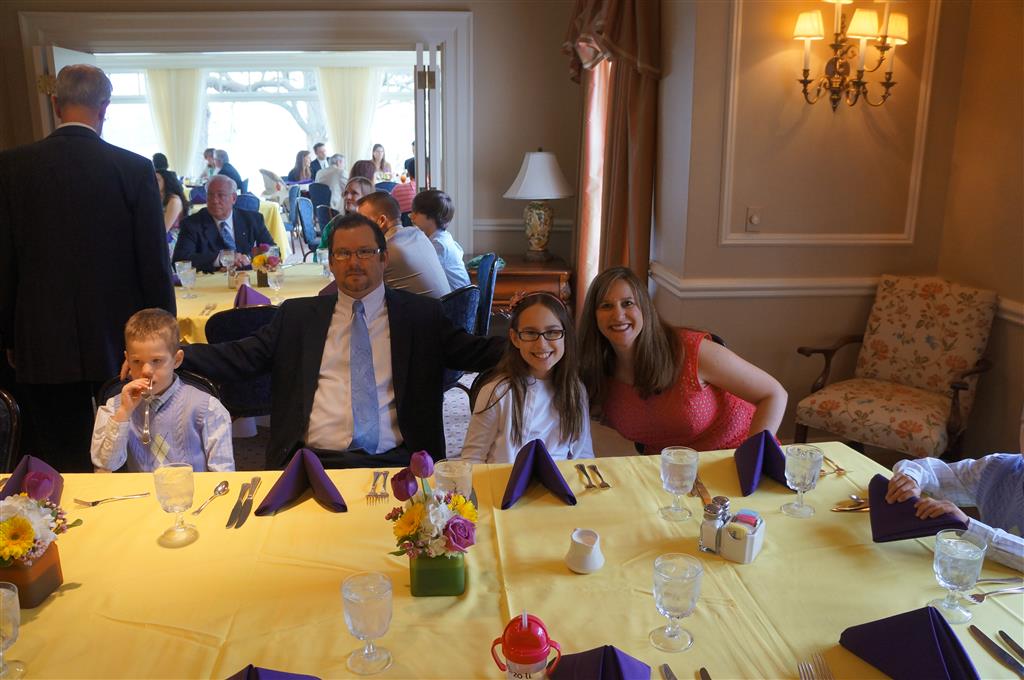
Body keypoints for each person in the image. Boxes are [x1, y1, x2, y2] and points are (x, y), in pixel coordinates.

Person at [180, 213, 505, 469]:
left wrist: (531, 341)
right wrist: (175, 355)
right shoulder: (298, 317)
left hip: (400, 461)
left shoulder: (421, 316)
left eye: (365, 252)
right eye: (343, 253)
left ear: (383, 258)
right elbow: (240, 356)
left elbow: (474, 352)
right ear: (331, 262)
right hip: (312, 461)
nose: (354, 262)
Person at [0, 64, 175, 472]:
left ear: (55, 104)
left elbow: (4, 261)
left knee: (56, 451)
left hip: (40, 336)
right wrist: (163, 334)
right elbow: (154, 261)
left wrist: (8, 335)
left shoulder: (10, 167)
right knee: (127, 439)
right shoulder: (133, 168)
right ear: (104, 107)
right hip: (120, 337)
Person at [578, 267, 787, 453]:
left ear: (645, 309)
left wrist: (753, 457)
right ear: (593, 316)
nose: (618, 315)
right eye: (606, 306)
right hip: (671, 472)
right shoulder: (595, 371)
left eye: (628, 303)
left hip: (734, 454)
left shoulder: (692, 351)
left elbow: (773, 394)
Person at [91, 309, 234, 473]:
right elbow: (105, 465)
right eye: (136, 361)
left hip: (192, 489)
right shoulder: (115, 407)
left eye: (156, 361)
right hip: (141, 489)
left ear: (177, 360)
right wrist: (123, 413)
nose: (146, 371)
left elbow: (223, 473)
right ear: (127, 359)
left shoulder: (207, 408)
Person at [461, 292, 593, 464]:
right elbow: (472, 458)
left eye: (552, 332)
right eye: (530, 333)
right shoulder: (496, 393)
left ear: (566, 336)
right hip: (505, 479)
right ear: (515, 338)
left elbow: (584, 454)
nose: (541, 344)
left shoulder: (576, 391)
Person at [886, 451, 1023, 572]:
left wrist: (968, 526)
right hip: (982, 572)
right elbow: (930, 471)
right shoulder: (1003, 468)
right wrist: (910, 479)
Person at [172, 175, 275, 273]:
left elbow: (273, 252)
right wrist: (222, 259)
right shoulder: (192, 224)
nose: (214, 201)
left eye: (221, 195)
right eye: (210, 195)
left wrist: (248, 257)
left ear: (233, 198)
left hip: (248, 278)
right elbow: (179, 260)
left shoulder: (253, 219)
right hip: (212, 282)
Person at [357, 192, 451, 298]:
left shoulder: (385, 250)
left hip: (423, 308)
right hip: (446, 306)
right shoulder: (418, 234)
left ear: (382, 221)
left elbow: (359, 289)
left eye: (361, 221)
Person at [411, 189, 470, 291]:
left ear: (432, 216)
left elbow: (423, 274)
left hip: (455, 298)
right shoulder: (444, 237)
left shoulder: (439, 244)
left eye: (416, 212)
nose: (412, 217)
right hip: (458, 296)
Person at [319, 176, 373, 250]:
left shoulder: (375, 226)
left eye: (354, 193)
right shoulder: (334, 224)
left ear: (367, 197)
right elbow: (320, 252)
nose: (347, 197)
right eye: (346, 193)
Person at [156, 168, 187, 233]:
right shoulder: (159, 197)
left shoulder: (174, 201)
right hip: (159, 233)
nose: (153, 182)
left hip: (171, 236)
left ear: (167, 182)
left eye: (157, 180)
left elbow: (164, 230)